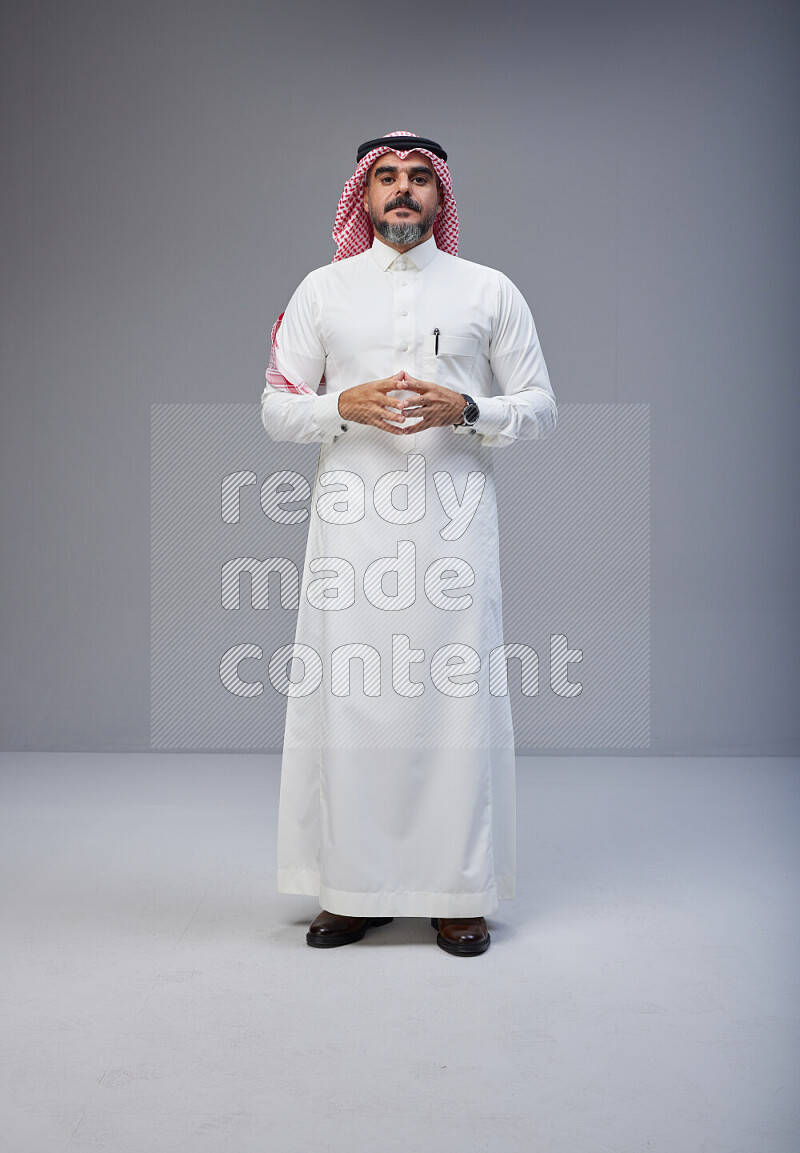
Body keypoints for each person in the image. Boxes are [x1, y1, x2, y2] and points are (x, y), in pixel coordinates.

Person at [260, 130, 557, 956]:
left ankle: (457, 893)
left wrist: (468, 409)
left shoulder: (488, 290)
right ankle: (352, 890)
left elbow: (540, 405)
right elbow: (277, 408)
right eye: (385, 177)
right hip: (351, 536)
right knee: (351, 704)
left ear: (440, 196)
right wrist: (338, 404)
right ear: (362, 195)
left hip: (454, 534)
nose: (402, 191)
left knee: (452, 705)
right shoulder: (323, 291)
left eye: (419, 179)